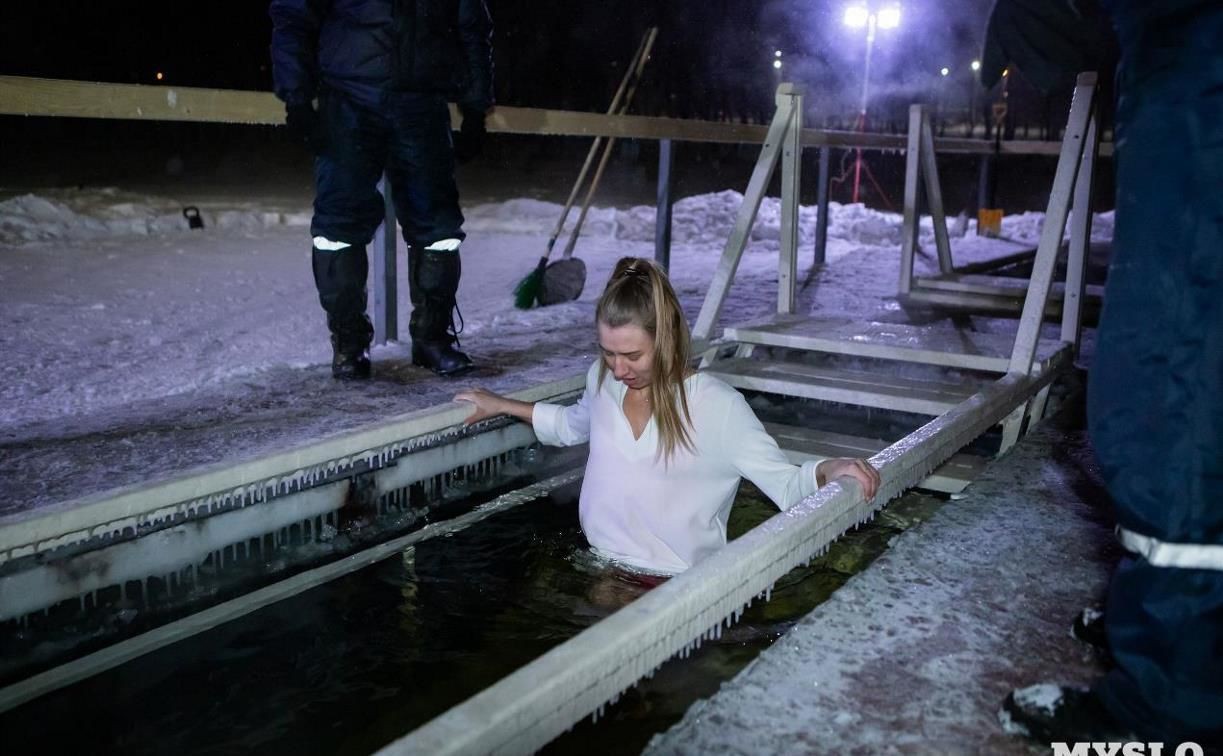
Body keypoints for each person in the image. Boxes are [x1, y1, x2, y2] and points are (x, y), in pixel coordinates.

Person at [982, 0, 1223, 748]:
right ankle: (1185, 623)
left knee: (1170, 377)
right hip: (1184, 58)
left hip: (1198, 68)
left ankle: (1174, 701)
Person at [455, 257, 881, 575]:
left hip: (679, 585)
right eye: (607, 352)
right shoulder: (602, 380)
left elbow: (788, 486)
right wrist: (503, 404)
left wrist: (833, 467)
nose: (618, 369)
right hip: (600, 568)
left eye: (632, 355)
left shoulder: (717, 406)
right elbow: (571, 426)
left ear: (667, 339)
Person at [270, 0, 493, 379]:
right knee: (337, 230)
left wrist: (475, 107)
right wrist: (297, 98)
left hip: (423, 103)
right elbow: (292, 14)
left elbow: (472, 24)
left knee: (438, 230)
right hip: (347, 101)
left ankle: (433, 339)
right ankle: (349, 345)